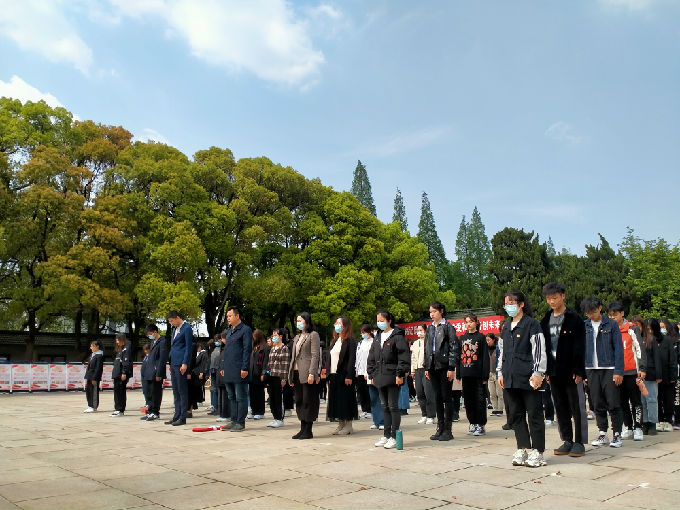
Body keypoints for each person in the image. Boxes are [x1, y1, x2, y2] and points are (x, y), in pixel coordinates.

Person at [498, 290, 547, 468]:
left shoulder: (531, 324)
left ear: (521, 304)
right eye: (506, 303)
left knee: (534, 414)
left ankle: (538, 451)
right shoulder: (506, 327)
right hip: (510, 377)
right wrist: (500, 372)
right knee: (516, 415)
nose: (509, 306)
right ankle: (522, 447)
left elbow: (539, 349)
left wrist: (538, 372)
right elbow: (501, 352)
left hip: (529, 377)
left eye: (512, 303)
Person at [540, 282, 588, 458]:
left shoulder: (574, 319)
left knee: (577, 407)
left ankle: (579, 442)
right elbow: (544, 348)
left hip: (571, 371)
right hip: (553, 371)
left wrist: (579, 370)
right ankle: (567, 439)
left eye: (555, 297)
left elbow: (580, 346)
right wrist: (545, 370)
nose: (552, 301)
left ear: (563, 296)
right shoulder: (545, 320)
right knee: (560, 407)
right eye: (548, 298)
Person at [581, 297, 625, 448]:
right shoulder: (584, 325)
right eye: (588, 313)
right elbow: (580, 350)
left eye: (593, 312)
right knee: (597, 402)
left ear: (600, 308)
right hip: (591, 368)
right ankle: (602, 433)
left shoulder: (611, 324)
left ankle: (617, 434)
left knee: (613, 402)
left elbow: (618, 348)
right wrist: (583, 372)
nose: (591, 315)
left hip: (609, 368)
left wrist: (618, 371)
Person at [367, 310, 410, 449]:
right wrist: (371, 374)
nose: (379, 323)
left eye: (382, 320)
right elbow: (371, 357)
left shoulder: (397, 336)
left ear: (389, 320)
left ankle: (394, 436)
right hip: (379, 376)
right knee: (384, 406)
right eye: (378, 320)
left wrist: (400, 374)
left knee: (393, 406)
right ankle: (386, 435)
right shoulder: (377, 337)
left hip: (393, 376)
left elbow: (403, 357)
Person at [607, 302, 646, 441]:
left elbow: (639, 348)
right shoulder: (608, 329)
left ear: (622, 313)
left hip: (632, 371)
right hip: (617, 372)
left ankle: (638, 427)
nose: (612, 318)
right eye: (610, 316)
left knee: (635, 401)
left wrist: (642, 368)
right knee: (621, 402)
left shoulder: (632, 328)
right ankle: (628, 427)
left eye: (615, 315)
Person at [424, 301, 460, 442]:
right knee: (437, 397)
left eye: (434, 311)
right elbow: (427, 348)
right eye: (430, 312)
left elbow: (454, 348)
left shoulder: (448, 327)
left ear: (441, 311)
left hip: (444, 366)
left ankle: (448, 429)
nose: (432, 314)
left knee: (446, 397)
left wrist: (451, 367)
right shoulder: (430, 328)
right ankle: (440, 428)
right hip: (432, 366)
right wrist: (427, 367)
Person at [288, 312, 321, 439]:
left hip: (307, 372)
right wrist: (290, 374)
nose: (298, 323)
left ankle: (308, 429)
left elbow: (315, 355)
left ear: (307, 321)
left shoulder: (313, 335)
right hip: (296, 371)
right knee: (299, 400)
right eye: (297, 321)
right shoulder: (297, 337)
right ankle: (302, 428)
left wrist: (312, 373)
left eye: (300, 320)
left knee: (308, 400)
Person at [220, 306, 252, 432]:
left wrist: (245, 367)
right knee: (231, 396)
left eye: (230, 316)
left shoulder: (245, 330)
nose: (228, 318)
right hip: (229, 368)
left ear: (237, 316)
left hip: (239, 369)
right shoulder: (229, 331)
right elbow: (226, 351)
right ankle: (233, 420)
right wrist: (223, 366)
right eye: (227, 316)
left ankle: (240, 421)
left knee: (240, 396)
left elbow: (247, 350)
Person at [458, 313, 489, 436]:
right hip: (466, 374)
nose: (468, 324)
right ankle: (473, 423)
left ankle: (480, 424)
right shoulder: (462, 338)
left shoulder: (481, 337)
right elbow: (459, 357)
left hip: (478, 375)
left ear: (476, 322)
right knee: (468, 401)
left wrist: (485, 376)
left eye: (471, 321)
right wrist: (458, 373)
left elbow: (485, 357)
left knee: (479, 400)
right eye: (466, 322)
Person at [328, 316, 358, 435]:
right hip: (334, 374)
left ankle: (348, 425)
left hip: (344, 374)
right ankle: (341, 424)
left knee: (346, 400)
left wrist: (349, 375)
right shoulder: (334, 341)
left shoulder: (350, 341)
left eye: (339, 323)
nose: (336, 325)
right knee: (336, 400)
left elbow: (351, 359)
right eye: (336, 323)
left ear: (345, 326)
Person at [166, 310, 193, 426]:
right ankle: (176, 415)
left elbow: (188, 347)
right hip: (173, 362)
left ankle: (183, 417)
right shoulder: (174, 329)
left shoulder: (186, 328)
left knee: (182, 391)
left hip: (181, 363)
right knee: (175, 391)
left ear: (177, 317)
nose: (171, 323)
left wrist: (185, 363)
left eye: (172, 321)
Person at [356, 323, 384, 430]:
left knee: (376, 397)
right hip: (362, 371)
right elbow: (359, 358)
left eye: (364, 332)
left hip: (372, 372)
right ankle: (376, 420)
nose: (363, 334)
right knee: (371, 397)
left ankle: (381, 421)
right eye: (361, 333)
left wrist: (368, 372)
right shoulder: (360, 343)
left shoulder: (374, 342)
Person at [142, 324, 168, 422]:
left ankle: (155, 412)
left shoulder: (162, 341)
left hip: (156, 372)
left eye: (150, 333)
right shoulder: (153, 342)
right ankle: (150, 411)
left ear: (155, 332)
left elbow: (162, 359)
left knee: (155, 393)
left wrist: (159, 373)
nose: (149, 336)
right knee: (149, 393)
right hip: (149, 371)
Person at [265, 328, 290, 428]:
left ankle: (280, 418)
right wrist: (267, 374)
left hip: (279, 377)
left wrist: (284, 379)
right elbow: (269, 364)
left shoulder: (284, 348)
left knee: (279, 398)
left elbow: (285, 365)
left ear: (280, 336)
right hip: (271, 376)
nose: (273, 337)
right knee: (272, 399)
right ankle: (275, 417)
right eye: (273, 335)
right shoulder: (272, 348)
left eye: (275, 335)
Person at [641, 318, 663, 435]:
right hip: (639, 375)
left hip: (651, 374)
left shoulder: (651, 339)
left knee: (652, 399)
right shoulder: (637, 338)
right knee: (643, 401)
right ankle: (645, 422)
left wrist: (658, 375)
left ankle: (653, 422)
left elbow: (657, 358)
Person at [656, 318, 677, 432]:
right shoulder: (654, 339)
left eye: (663, 327)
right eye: (660, 327)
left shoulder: (669, 340)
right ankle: (660, 420)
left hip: (668, 376)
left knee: (668, 399)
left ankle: (669, 420)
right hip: (657, 377)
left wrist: (673, 376)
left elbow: (672, 360)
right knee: (658, 399)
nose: (662, 329)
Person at [412, 324, 435, 425]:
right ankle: (424, 414)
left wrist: (429, 369)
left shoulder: (430, 342)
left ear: (426, 331)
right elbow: (413, 357)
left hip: (426, 369)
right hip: (417, 370)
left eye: (421, 330)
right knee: (420, 393)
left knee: (428, 393)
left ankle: (431, 415)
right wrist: (413, 371)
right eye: (418, 330)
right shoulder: (415, 343)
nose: (419, 332)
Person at [249, 329, 270, 420]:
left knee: (259, 393)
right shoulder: (254, 347)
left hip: (259, 373)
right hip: (252, 374)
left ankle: (260, 412)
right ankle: (254, 410)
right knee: (252, 393)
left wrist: (264, 373)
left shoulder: (265, 348)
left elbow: (266, 362)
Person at [111, 333, 132, 417]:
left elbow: (126, 362)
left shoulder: (127, 348)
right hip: (117, 374)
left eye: (118, 340)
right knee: (117, 392)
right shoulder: (121, 349)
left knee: (120, 392)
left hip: (121, 374)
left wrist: (124, 372)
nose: (117, 342)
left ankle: (120, 409)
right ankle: (117, 409)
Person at [188, 342, 209, 417]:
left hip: (198, 372)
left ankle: (200, 400)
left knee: (199, 387)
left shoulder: (203, 354)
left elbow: (203, 364)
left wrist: (201, 373)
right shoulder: (197, 354)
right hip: (194, 373)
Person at [486, 333, 504, 417]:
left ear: (493, 340)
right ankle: (495, 409)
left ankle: (500, 409)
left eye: (489, 340)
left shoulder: (498, 348)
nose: (487, 342)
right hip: (489, 373)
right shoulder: (486, 349)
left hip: (497, 373)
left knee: (499, 392)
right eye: (486, 340)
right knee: (492, 393)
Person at [83, 340, 104, 413]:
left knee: (94, 392)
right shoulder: (93, 355)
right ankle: (90, 405)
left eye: (92, 346)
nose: (91, 348)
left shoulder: (99, 356)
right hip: (89, 376)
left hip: (94, 377)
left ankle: (94, 406)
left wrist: (94, 378)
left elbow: (98, 368)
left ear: (97, 346)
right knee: (89, 391)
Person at [215, 331, 229, 423]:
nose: (222, 340)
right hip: (220, 375)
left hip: (226, 375)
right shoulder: (222, 348)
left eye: (223, 338)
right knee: (221, 395)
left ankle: (226, 414)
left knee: (226, 396)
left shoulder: (229, 348)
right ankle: (222, 413)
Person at [207, 335, 222, 415]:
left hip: (218, 370)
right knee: (214, 390)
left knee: (218, 390)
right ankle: (215, 407)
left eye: (218, 340)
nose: (217, 342)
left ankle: (219, 408)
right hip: (212, 370)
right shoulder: (214, 349)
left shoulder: (222, 349)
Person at [140, 343, 152, 412]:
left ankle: (149, 404)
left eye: (146, 349)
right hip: (143, 377)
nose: (145, 351)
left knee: (148, 391)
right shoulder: (145, 357)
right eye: (144, 350)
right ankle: (147, 403)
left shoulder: (151, 356)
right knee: (145, 391)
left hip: (148, 376)